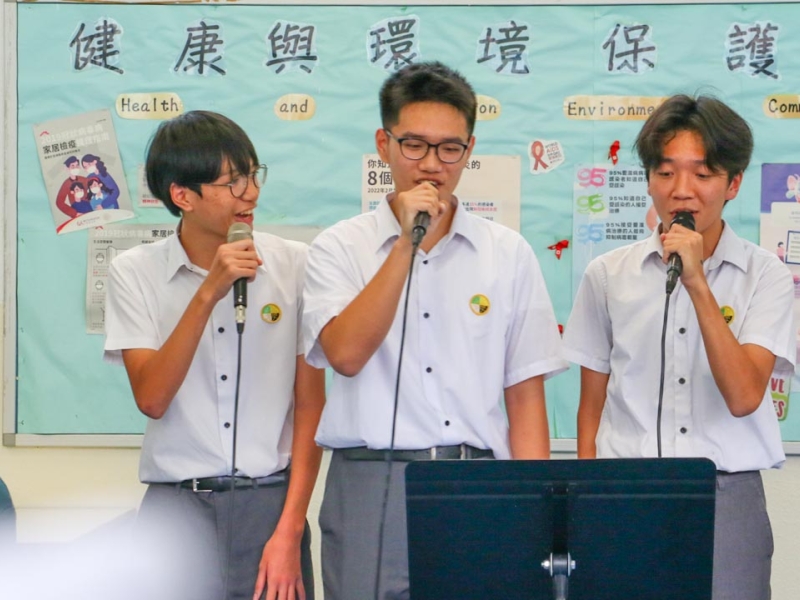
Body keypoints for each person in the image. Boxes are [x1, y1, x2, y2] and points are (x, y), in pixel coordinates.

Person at [302, 61, 566, 600]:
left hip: (479, 483)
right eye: (414, 145)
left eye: (449, 149)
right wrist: (406, 244)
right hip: (371, 481)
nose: (431, 165)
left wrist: (534, 511)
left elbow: (525, 397)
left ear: (469, 152)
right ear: (384, 144)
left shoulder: (507, 253)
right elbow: (345, 354)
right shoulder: (339, 247)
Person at [563, 94, 795, 600]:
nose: (681, 191)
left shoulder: (766, 277)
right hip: (622, 493)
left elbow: (744, 396)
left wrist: (697, 283)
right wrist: (585, 501)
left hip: (725, 497)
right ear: (649, 180)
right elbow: (591, 407)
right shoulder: (607, 275)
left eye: (702, 174)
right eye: (665, 173)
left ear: (733, 184)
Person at [103, 111, 324, 600]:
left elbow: (311, 406)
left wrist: (289, 531)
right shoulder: (134, 273)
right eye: (233, 181)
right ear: (183, 195)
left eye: (253, 175)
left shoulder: (294, 265)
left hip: (270, 507)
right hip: (176, 515)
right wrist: (208, 292)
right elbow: (152, 398)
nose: (251, 193)